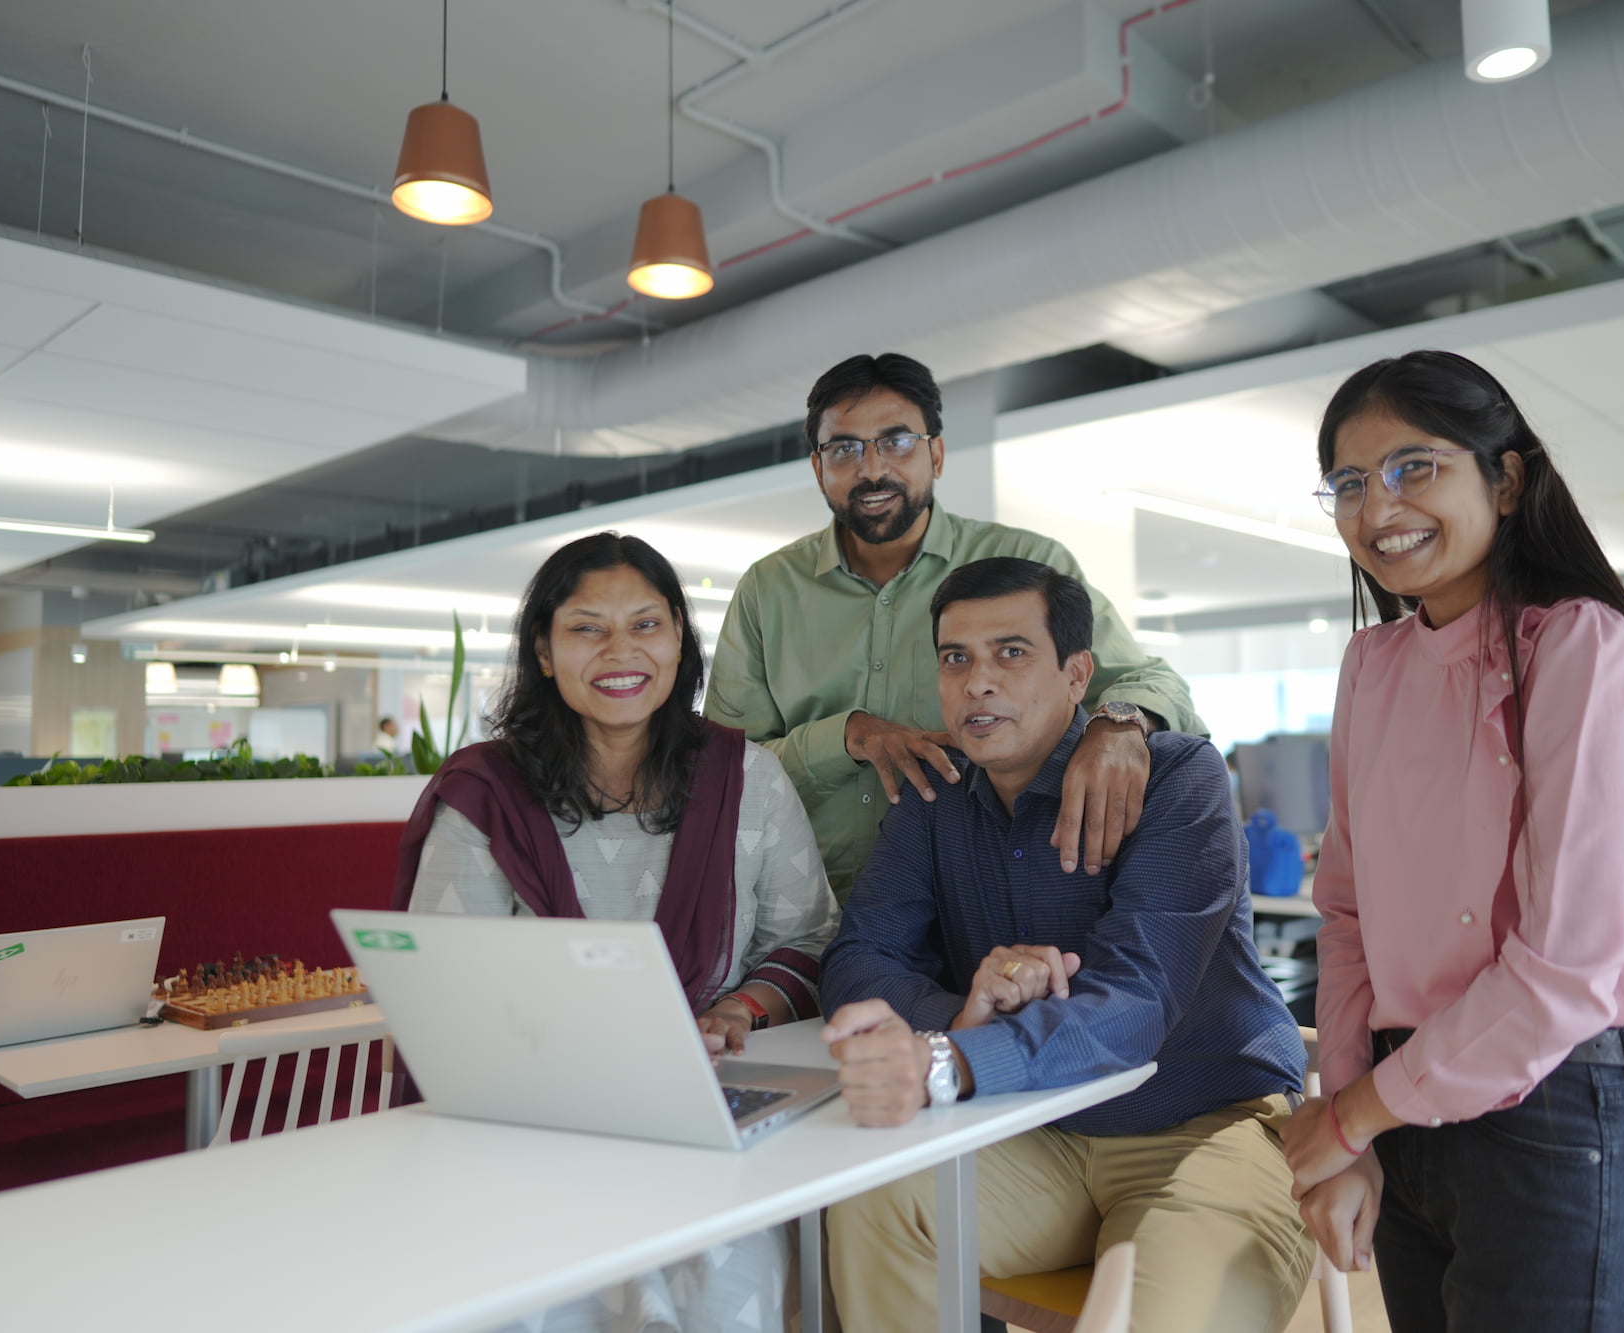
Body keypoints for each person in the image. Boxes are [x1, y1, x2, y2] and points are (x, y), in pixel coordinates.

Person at [1285, 351, 1624, 1332]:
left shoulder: (1573, 642)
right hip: (1402, 1118)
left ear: (1506, 476)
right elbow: (1346, 911)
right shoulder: (1371, 663)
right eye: (1349, 483)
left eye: (1412, 466)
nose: (1377, 505)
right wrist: (1354, 1133)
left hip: (1557, 1110)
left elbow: (1568, 963)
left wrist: (1349, 1114)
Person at [819, 557, 1311, 1333]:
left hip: (1201, 1128)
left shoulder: (1180, 779)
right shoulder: (934, 799)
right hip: (1033, 1133)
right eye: (957, 658)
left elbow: (1136, 1003)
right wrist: (967, 1013)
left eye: (1011, 652)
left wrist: (951, 1059)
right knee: (865, 1195)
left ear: (1078, 672)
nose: (978, 681)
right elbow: (856, 960)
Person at [394, 531, 839, 1333]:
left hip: (709, 1111)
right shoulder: (484, 795)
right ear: (543, 650)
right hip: (535, 1117)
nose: (619, 650)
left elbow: (805, 941)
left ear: (678, 638)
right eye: (586, 627)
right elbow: (447, 982)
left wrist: (740, 1011)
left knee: (721, 1285)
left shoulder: (748, 780)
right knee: (531, 1290)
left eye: (645, 623)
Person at [706, 352, 1205, 897]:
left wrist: (1117, 727)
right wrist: (847, 737)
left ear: (937, 455)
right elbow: (721, 769)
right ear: (818, 467)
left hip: (987, 904)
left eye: (897, 441)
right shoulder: (767, 590)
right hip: (805, 908)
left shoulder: (1026, 563)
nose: (872, 469)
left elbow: (1154, 683)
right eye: (844, 448)